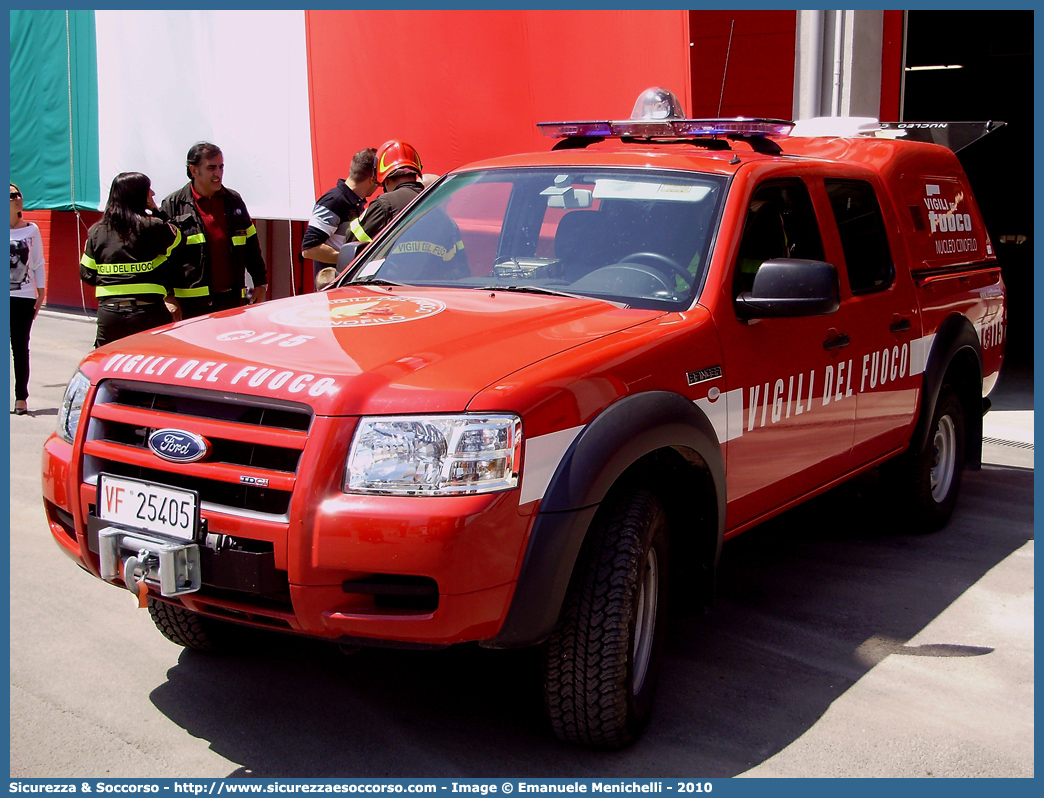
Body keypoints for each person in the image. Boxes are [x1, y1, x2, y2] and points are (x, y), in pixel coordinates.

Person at [161, 142, 269, 318]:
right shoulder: (173, 205)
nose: (218, 173)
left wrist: (260, 282)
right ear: (194, 170)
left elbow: (251, 245)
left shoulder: (233, 200)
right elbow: (162, 258)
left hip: (231, 300)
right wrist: (168, 296)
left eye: (221, 167)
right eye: (211, 168)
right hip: (190, 306)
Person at [80, 173, 183, 348]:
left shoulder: (96, 231)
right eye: (147, 189)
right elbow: (179, 239)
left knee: (109, 363)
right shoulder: (153, 226)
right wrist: (157, 210)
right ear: (137, 195)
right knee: (150, 364)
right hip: (148, 312)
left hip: (110, 314)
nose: (152, 193)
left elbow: (87, 274)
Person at [301, 147, 379, 265]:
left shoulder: (354, 202)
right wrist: (355, 259)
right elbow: (309, 249)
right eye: (380, 181)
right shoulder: (334, 201)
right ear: (372, 179)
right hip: (332, 281)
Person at [9, 183, 46, 415]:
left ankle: (21, 398)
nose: (18, 198)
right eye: (12, 195)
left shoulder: (32, 230)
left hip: (23, 297)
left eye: (19, 194)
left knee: (20, 347)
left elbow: (38, 263)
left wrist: (41, 292)